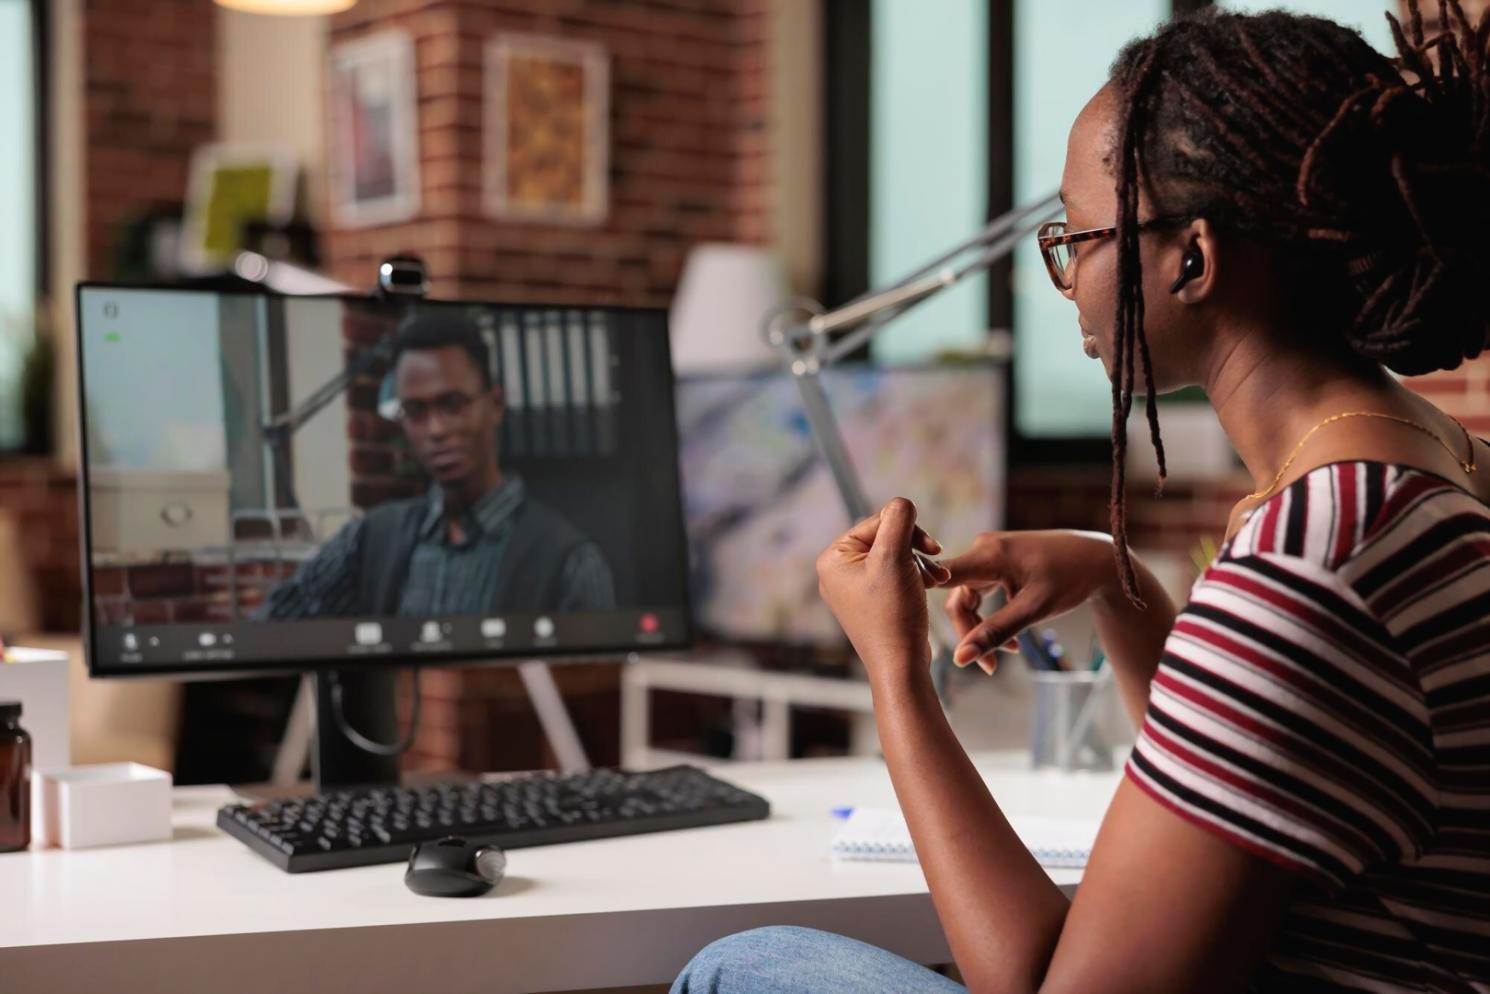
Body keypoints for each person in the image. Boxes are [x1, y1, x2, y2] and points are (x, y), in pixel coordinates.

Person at [673, 3, 1488, 992]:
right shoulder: (1434, 467)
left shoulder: (1310, 556)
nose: (1061, 280)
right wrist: (1117, 576)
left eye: (1076, 235)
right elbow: (1229, 803)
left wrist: (895, 671)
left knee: (744, 966)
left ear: (1190, 257)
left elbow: (1040, 983)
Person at [260, 313, 614, 619]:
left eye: (453, 404)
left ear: (496, 404)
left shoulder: (567, 562)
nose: (437, 429)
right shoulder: (371, 540)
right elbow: (270, 629)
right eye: (416, 412)